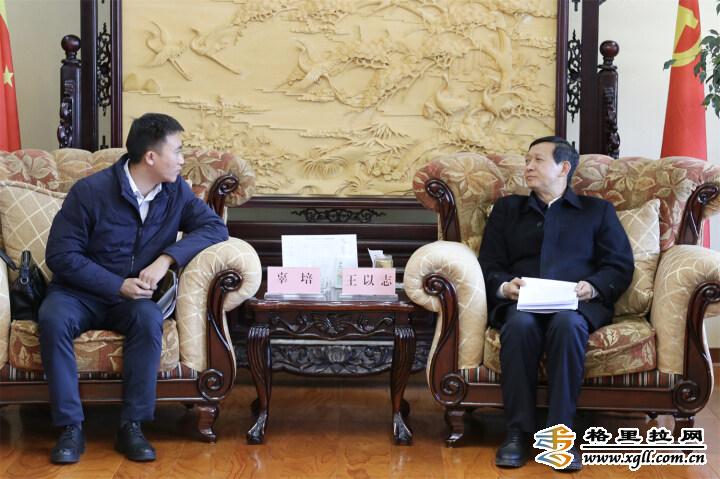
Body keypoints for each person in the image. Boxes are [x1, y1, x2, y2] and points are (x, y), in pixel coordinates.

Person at [38, 113, 229, 464]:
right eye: (178, 150)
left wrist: (166, 259)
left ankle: (132, 426)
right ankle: (70, 428)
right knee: (52, 318)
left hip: (133, 299)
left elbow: (215, 228)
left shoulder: (175, 192)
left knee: (148, 319)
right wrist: (116, 284)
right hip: (78, 293)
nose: (183, 159)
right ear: (151, 157)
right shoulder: (90, 192)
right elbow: (61, 255)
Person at [478, 136, 634, 471]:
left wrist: (593, 287)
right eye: (527, 160)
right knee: (519, 326)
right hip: (521, 303)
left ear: (564, 168)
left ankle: (559, 437)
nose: (528, 167)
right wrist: (505, 287)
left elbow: (619, 265)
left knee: (567, 325)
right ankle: (517, 433)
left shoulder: (597, 211)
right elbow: (489, 263)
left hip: (575, 306)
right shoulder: (508, 210)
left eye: (537, 160)